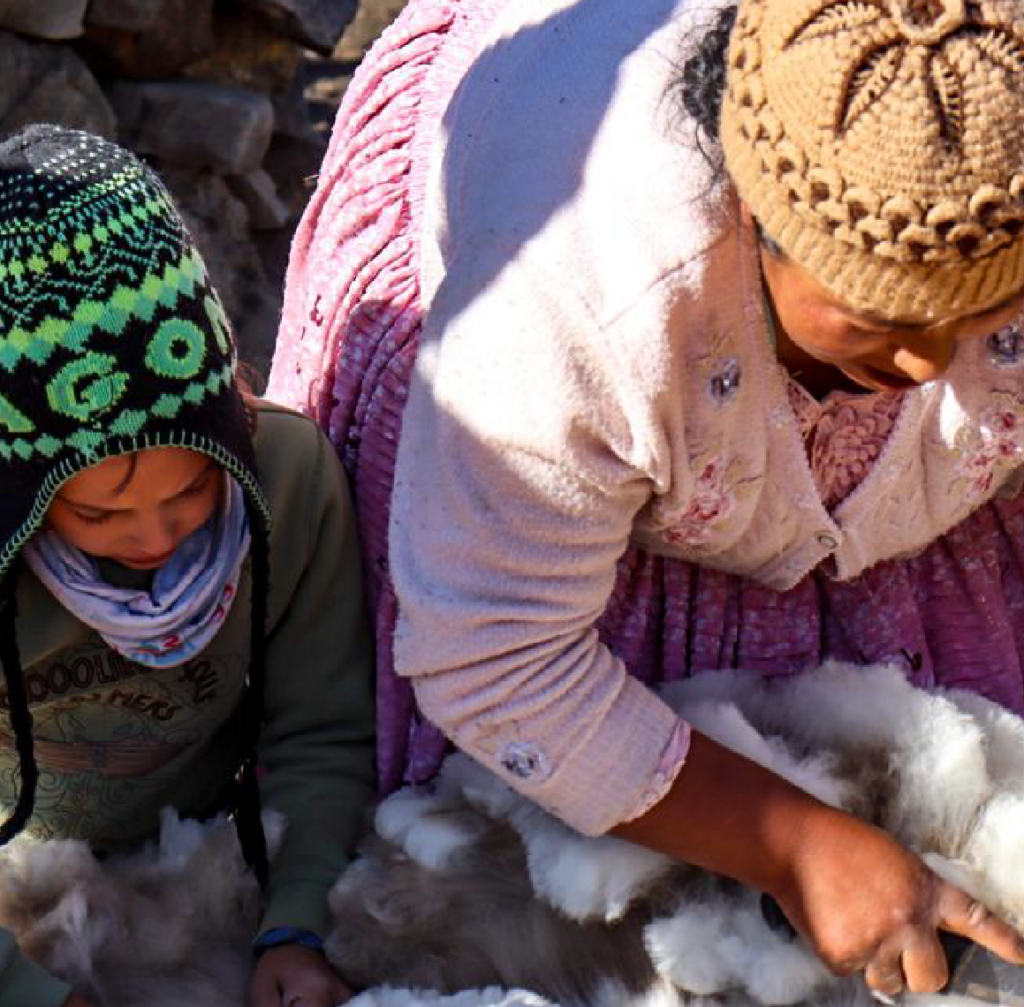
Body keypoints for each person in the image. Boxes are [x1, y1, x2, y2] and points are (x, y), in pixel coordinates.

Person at [267, 0, 1024, 996]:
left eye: (978, 311)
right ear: (750, 217)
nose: (928, 361)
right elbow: (498, 649)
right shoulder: (579, 292)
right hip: (604, 423)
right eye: (875, 316)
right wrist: (794, 844)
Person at [0, 125, 376, 1007]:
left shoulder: (287, 481)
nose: (156, 538)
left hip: (206, 869)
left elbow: (321, 730)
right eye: (96, 513)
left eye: (196, 488)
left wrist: (300, 923)